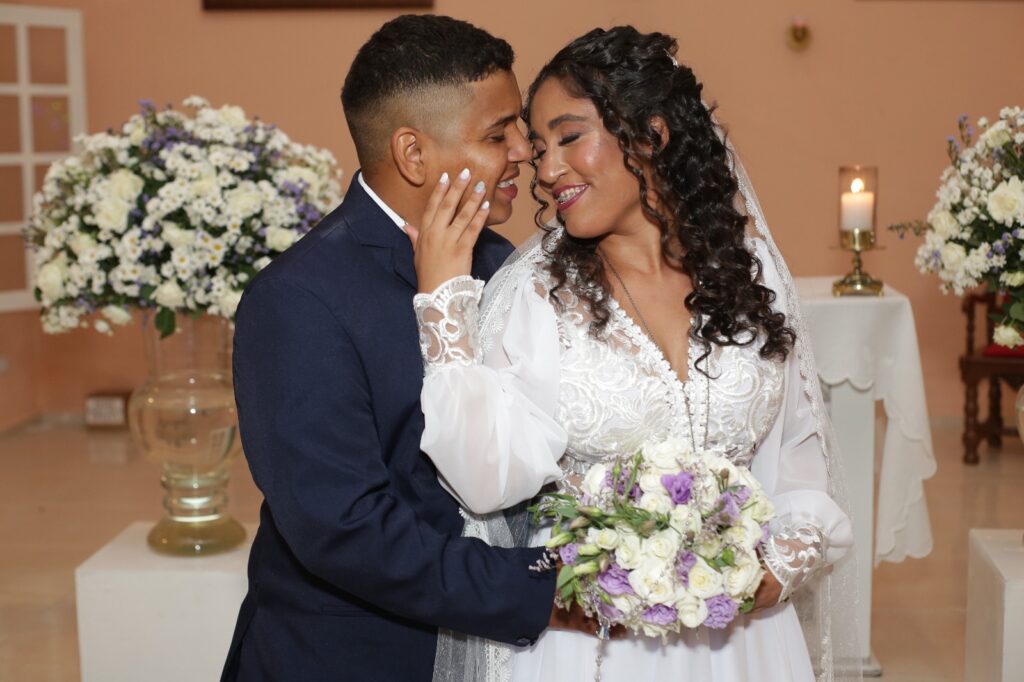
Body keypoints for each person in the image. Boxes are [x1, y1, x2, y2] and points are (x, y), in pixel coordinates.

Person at [411, 26, 861, 681]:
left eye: (569, 138)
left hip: (745, 638)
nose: (547, 170)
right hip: (596, 640)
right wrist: (444, 304)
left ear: (650, 134)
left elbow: (798, 451)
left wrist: (779, 563)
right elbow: (483, 481)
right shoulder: (536, 292)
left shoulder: (750, 270)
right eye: (540, 149)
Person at [220, 15, 570, 681]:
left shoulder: (505, 262)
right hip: (357, 658)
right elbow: (344, 528)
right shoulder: (298, 299)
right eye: (497, 134)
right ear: (413, 154)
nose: (525, 151)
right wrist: (542, 586)